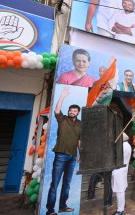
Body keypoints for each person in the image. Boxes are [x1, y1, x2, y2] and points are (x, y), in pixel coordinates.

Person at [46, 87, 81, 215]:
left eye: (75, 111)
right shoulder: (62, 119)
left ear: (78, 112)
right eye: (71, 110)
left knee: (67, 184)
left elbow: (79, 140)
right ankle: (50, 210)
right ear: (68, 111)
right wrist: (62, 96)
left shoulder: (80, 124)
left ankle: (62, 206)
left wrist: (80, 154)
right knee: (55, 184)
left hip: (72, 157)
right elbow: (56, 110)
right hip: (60, 155)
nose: (72, 112)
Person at [111, 133, 132, 215]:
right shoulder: (128, 145)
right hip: (123, 169)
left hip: (119, 170)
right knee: (121, 189)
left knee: (119, 190)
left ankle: (120, 210)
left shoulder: (122, 146)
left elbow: (114, 157)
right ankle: (121, 207)